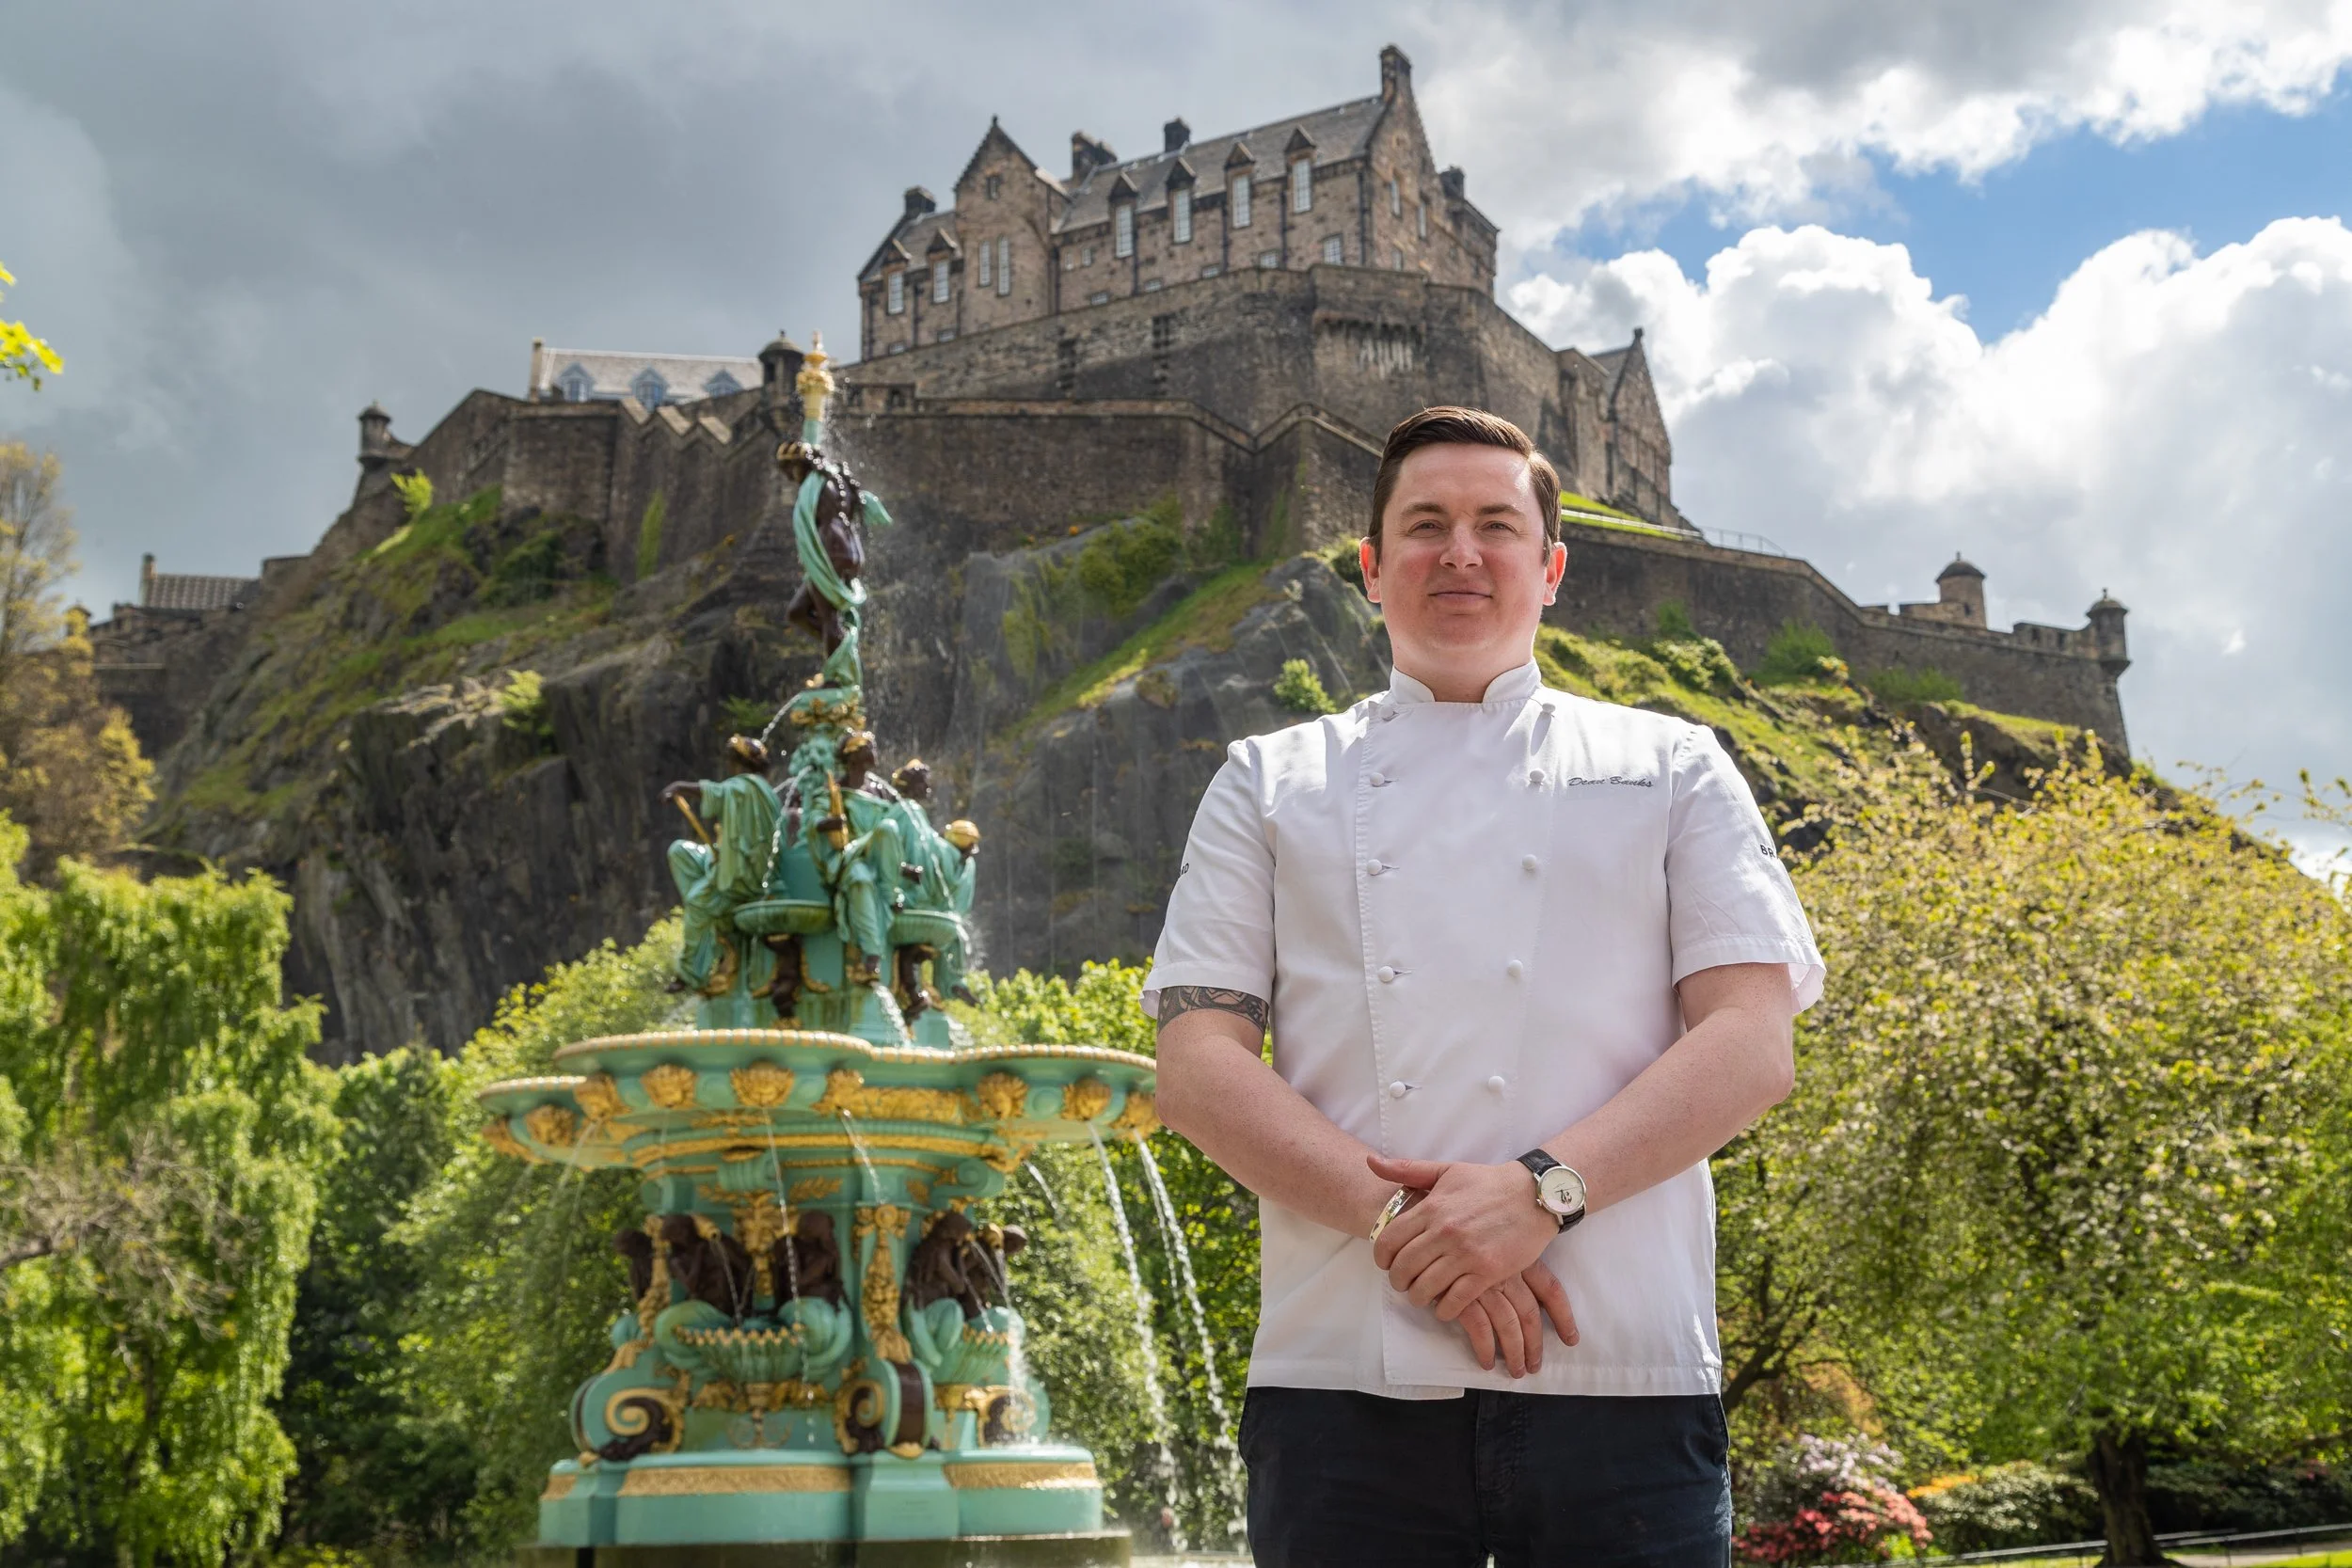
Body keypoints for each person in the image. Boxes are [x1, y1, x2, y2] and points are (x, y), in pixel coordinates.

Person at [1147, 406, 1824, 1567]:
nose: (1459, 552)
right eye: (1425, 525)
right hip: (1339, 1382)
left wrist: (1540, 1193)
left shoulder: (1673, 765)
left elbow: (1752, 1042)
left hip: (1624, 1373)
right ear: (1371, 568)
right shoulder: (1266, 779)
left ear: (1550, 567)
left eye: (1495, 525)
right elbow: (1197, 1068)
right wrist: (1405, 1225)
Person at [660, 735, 783, 995]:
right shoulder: (754, 788)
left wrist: (679, 787)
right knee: (680, 852)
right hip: (729, 860)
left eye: (730, 759)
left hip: (746, 874)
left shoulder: (749, 786)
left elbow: (717, 792)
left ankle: (692, 972)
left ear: (737, 762)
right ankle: (714, 921)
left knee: (697, 902)